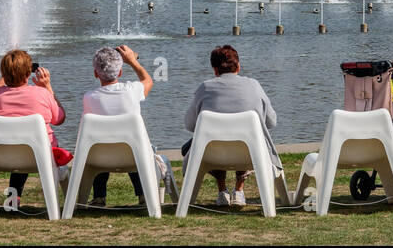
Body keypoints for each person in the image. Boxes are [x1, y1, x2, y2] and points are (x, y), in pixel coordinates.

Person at [182, 44, 281, 207]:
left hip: (211, 154)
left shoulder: (205, 87)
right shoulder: (254, 85)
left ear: (215, 69)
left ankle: (222, 191)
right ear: (239, 66)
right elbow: (271, 121)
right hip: (250, 153)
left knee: (198, 143)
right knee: (247, 136)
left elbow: (190, 124)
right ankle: (239, 190)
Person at [81, 45, 169, 207]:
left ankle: (99, 196)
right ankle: (143, 194)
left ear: (95, 73)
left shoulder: (89, 98)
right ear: (120, 72)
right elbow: (148, 81)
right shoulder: (131, 90)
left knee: (103, 140)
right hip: (134, 156)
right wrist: (133, 62)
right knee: (135, 144)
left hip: (100, 159)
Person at [0, 49, 70, 201]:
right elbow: (59, 119)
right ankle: (17, 197)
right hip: (38, 155)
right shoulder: (41, 94)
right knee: (28, 141)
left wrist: (8, 73)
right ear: (29, 73)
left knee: (18, 140)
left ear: (3, 73)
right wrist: (47, 86)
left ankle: (14, 198)